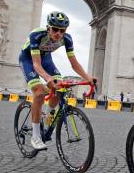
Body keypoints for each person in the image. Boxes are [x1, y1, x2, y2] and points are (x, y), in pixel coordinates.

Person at [19, 11, 95, 150]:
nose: (58, 33)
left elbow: (74, 63)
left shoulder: (67, 39)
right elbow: (36, 64)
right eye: (55, 29)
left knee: (60, 88)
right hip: (29, 60)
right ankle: (36, 137)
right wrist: (47, 78)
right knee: (40, 92)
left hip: (46, 59)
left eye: (62, 30)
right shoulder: (37, 35)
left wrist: (88, 77)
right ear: (48, 27)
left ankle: (48, 119)